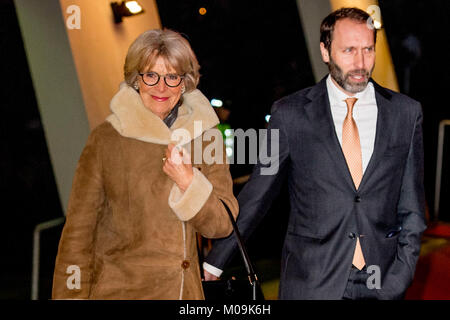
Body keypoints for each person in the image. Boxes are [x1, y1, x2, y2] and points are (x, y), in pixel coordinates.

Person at [204, 7, 426, 300]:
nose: (360, 63)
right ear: (325, 51)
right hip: (311, 283)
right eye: (348, 50)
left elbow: (412, 210)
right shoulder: (289, 115)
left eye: (367, 50)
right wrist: (216, 260)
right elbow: (257, 194)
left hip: (381, 283)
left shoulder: (405, 113)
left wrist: (399, 278)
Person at [52, 29, 238, 300]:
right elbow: (77, 237)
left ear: (184, 82)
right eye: (151, 75)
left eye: (172, 77)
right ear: (136, 79)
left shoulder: (205, 136)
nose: (161, 88)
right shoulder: (107, 139)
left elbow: (222, 224)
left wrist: (190, 182)